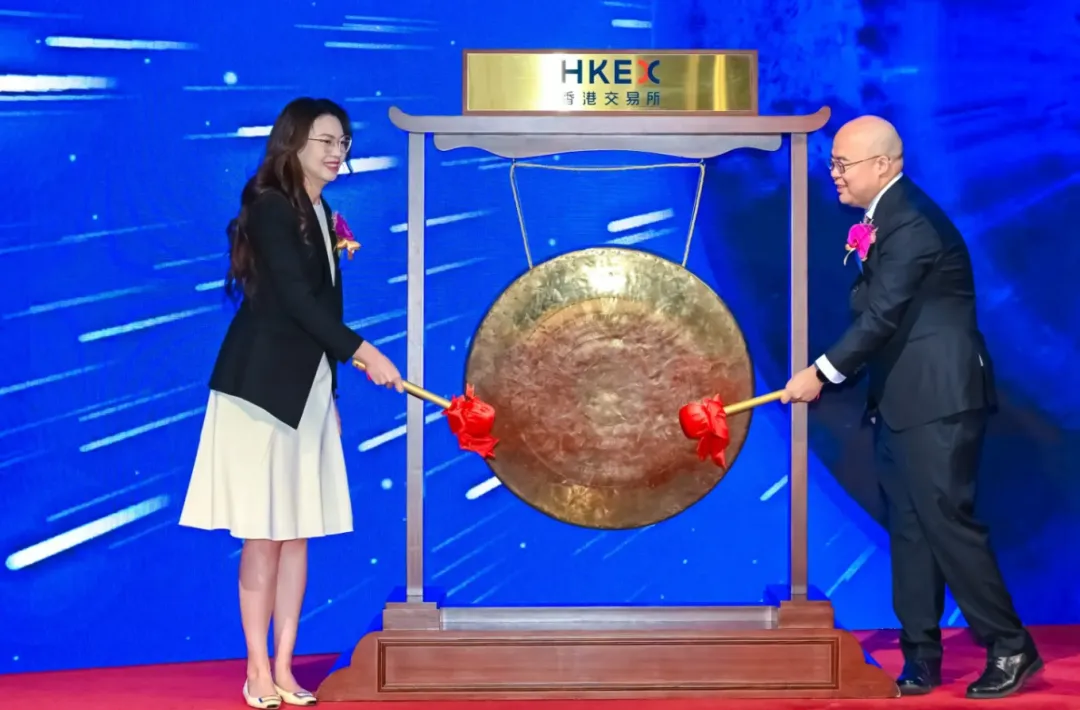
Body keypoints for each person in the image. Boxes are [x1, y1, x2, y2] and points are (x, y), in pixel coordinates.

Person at [782, 116, 1041, 699]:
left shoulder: (914, 224)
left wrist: (820, 373)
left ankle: (1010, 645)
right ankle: (920, 654)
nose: (834, 173)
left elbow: (881, 316)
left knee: (946, 523)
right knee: (909, 528)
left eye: (843, 164)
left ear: (883, 166)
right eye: (832, 163)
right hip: (900, 400)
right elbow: (881, 315)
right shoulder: (886, 220)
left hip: (939, 399)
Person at [179, 97, 403, 709]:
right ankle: (256, 669)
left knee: (297, 533)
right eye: (326, 141)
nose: (337, 153)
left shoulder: (324, 211)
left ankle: (283, 667)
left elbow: (323, 311)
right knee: (264, 534)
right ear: (293, 142)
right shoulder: (271, 207)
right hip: (260, 391)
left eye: (344, 143)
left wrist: (330, 387)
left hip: (307, 388)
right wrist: (365, 354)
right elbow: (296, 303)